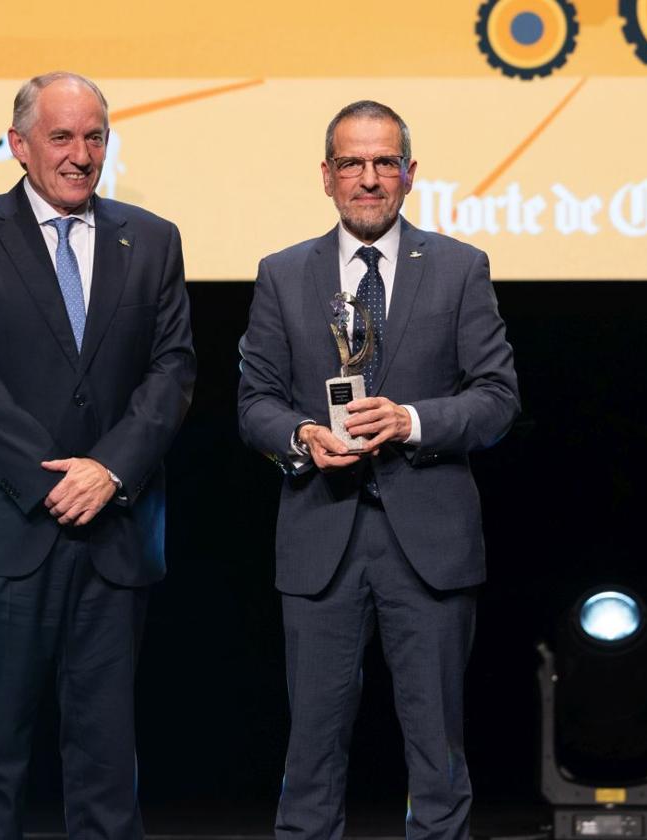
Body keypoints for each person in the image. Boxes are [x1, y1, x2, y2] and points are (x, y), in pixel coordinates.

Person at [238, 100, 520, 839]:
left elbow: (496, 398)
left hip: (428, 542)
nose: (369, 178)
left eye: (384, 162)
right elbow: (254, 401)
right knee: (311, 757)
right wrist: (301, 434)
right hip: (320, 535)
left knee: (438, 758)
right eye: (352, 164)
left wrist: (412, 421)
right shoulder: (282, 272)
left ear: (410, 173)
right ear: (327, 176)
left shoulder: (460, 268)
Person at [0, 72, 195, 840]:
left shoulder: (153, 237)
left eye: (95, 137)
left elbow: (173, 369)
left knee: (108, 765)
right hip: (3, 529)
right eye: (62, 137)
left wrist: (107, 470)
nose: (81, 155)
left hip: (114, 533)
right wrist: (51, 478)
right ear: (18, 145)